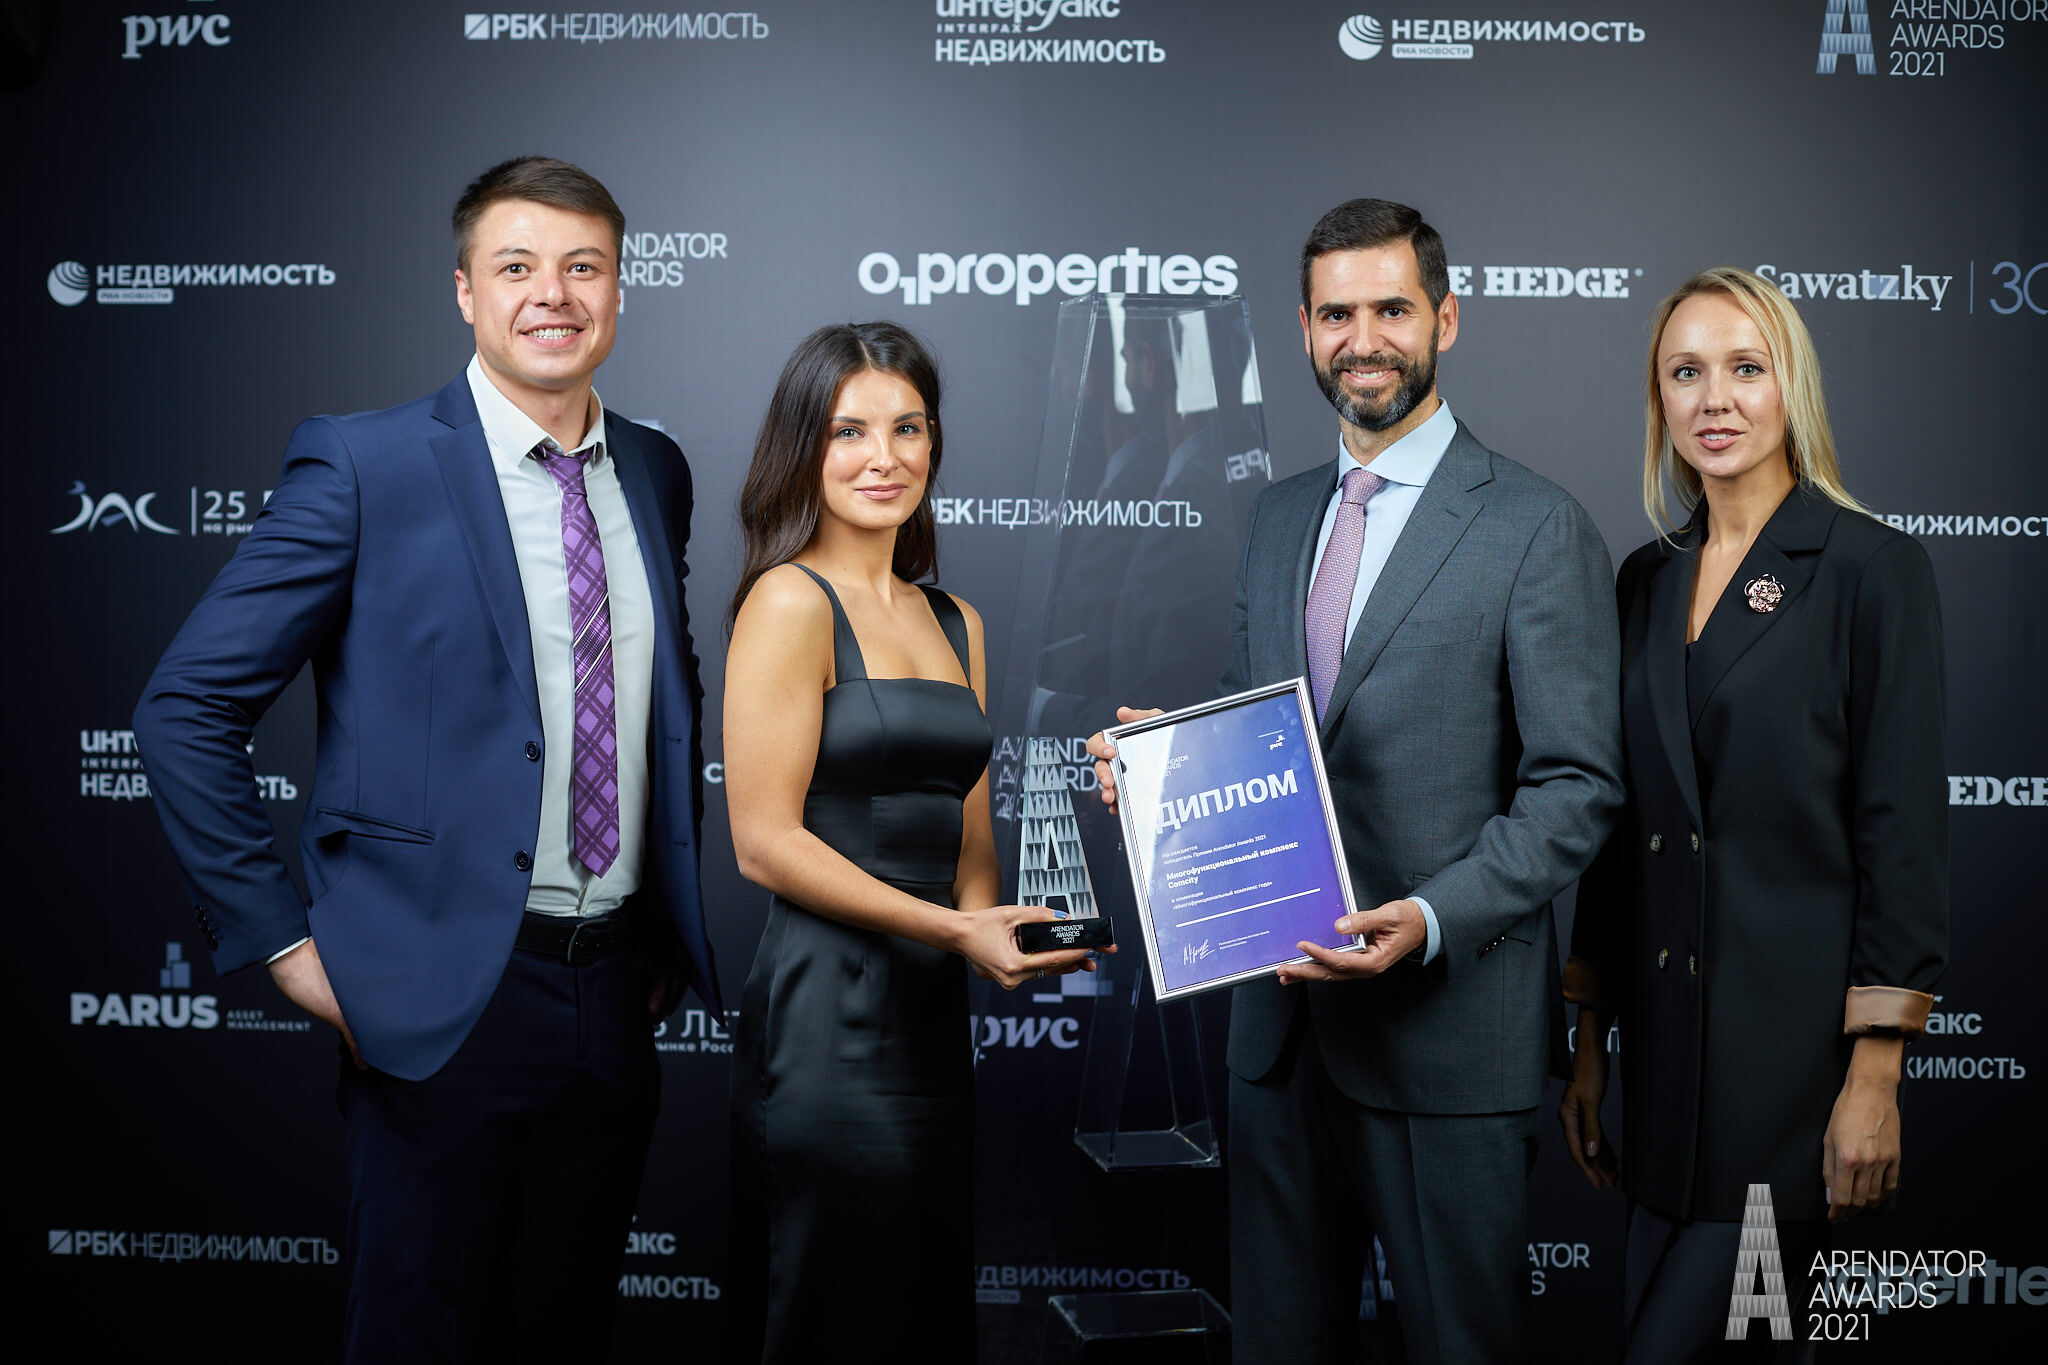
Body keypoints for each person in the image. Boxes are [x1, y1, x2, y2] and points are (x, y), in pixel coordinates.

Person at [131, 156, 717, 1362]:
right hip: (438, 998)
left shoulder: (655, 470)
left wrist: (661, 921)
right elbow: (185, 706)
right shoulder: (365, 464)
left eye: (583, 267)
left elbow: (663, 699)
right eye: (516, 267)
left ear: (620, 289)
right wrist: (285, 947)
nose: (552, 294)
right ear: (463, 291)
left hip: (613, 996)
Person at [1088, 198, 1623, 1363]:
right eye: (1336, 315)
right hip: (1279, 1039)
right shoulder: (1277, 516)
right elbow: (1265, 731)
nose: (1362, 339)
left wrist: (1428, 917)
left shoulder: (1534, 526)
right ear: (1302, 329)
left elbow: (1575, 786)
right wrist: (1167, 770)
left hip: (1447, 1036)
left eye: (1390, 309)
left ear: (1445, 319)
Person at [1558, 267, 1947, 1362]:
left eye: (1744, 368)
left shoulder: (1871, 570)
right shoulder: (1643, 580)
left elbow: (1901, 837)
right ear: (1659, 399)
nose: (1714, 399)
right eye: (1685, 373)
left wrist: (1874, 1078)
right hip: (1662, 1079)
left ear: (1791, 387)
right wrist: (1588, 1041)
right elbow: (1618, 835)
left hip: (1789, 1089)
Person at [722, 322, 1101, 1364]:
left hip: (929, 1029)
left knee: (918, 1314)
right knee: (827, 1314)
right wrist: (952, 930)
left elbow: (972, 845)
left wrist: (1008, 929)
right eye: (849, 431)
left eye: (908, 428)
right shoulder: (788, 601)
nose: (882, 457)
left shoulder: (956, 620)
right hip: (822, 1023)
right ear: (804, 445)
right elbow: (762, 841)